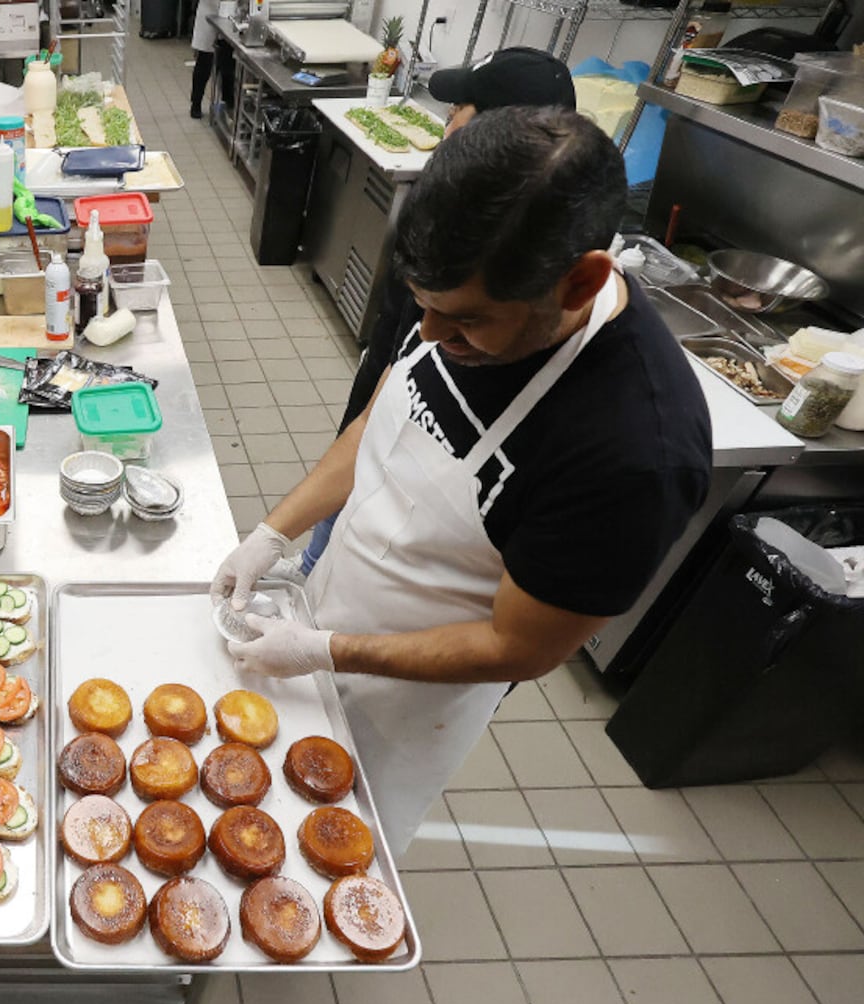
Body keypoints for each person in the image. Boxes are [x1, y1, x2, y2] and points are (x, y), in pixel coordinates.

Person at [211, 108, 712, 855]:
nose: (433, 338)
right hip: (325, 601)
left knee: (323, 841)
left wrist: (329, 650)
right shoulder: (455, 297)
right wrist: (273, 532)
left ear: (581, 281)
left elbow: (520, 647)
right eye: (424, 309)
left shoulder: (631, 454)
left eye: (465, 323)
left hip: (408, 699)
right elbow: (385, 419)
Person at [293, 47, 579, 578]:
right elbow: (390, 379)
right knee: (345, 486)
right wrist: (272, 535)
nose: (447, 120)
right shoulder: (445, 197)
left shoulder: (526, 256)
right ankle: (313, 564)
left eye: (459, 109)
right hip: (385, 382)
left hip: (429, 474)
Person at [189, 0, 236, 120]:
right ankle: (196, 103)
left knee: (228, 63)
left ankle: (228, 101)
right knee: (204, 62)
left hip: (232, 14)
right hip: (209, 10)